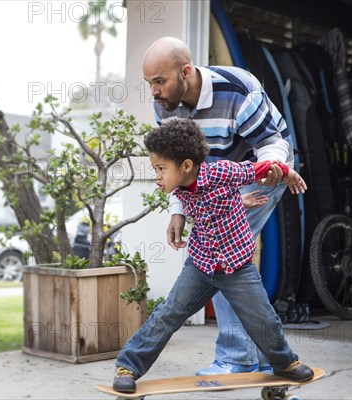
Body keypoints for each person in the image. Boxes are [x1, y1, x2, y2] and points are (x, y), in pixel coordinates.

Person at [112, 119, 312, 393]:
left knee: (262, 319)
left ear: (185, 166)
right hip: (201, 265)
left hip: (237, 266)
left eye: (161, 169)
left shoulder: (222, 171)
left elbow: (256, 169)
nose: (157, 176)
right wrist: (236, 202)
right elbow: (209, 202)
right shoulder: (180, 190)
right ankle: (128, 366)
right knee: (168, 314)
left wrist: (286, 172)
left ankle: (284, 363)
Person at [143, 36, 298, 375]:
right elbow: (176, 167)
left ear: (185, 71)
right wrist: (178, 211)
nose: (153, 91)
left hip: (262, 169)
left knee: (225, 255)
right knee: (224, 256)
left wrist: (273, 171)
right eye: (149, 83)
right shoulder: (164, 106)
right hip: (213, 180)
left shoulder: (238, 89)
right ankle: (260, 357)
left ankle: (236, 358)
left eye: (159, 81)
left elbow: (272, 143)